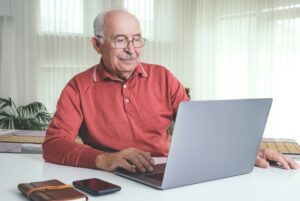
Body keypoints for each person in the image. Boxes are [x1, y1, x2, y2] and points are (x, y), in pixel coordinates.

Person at [42, 9, 299, 173]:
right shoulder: (78, 86)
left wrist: (251, 150)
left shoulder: (163, 77)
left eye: (136, 38)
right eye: (120, 40)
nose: (131, 48)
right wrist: (105, 159)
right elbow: (53, 145)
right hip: (113, 179)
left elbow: (201, 132)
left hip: (165, 174)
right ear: (97, 45)